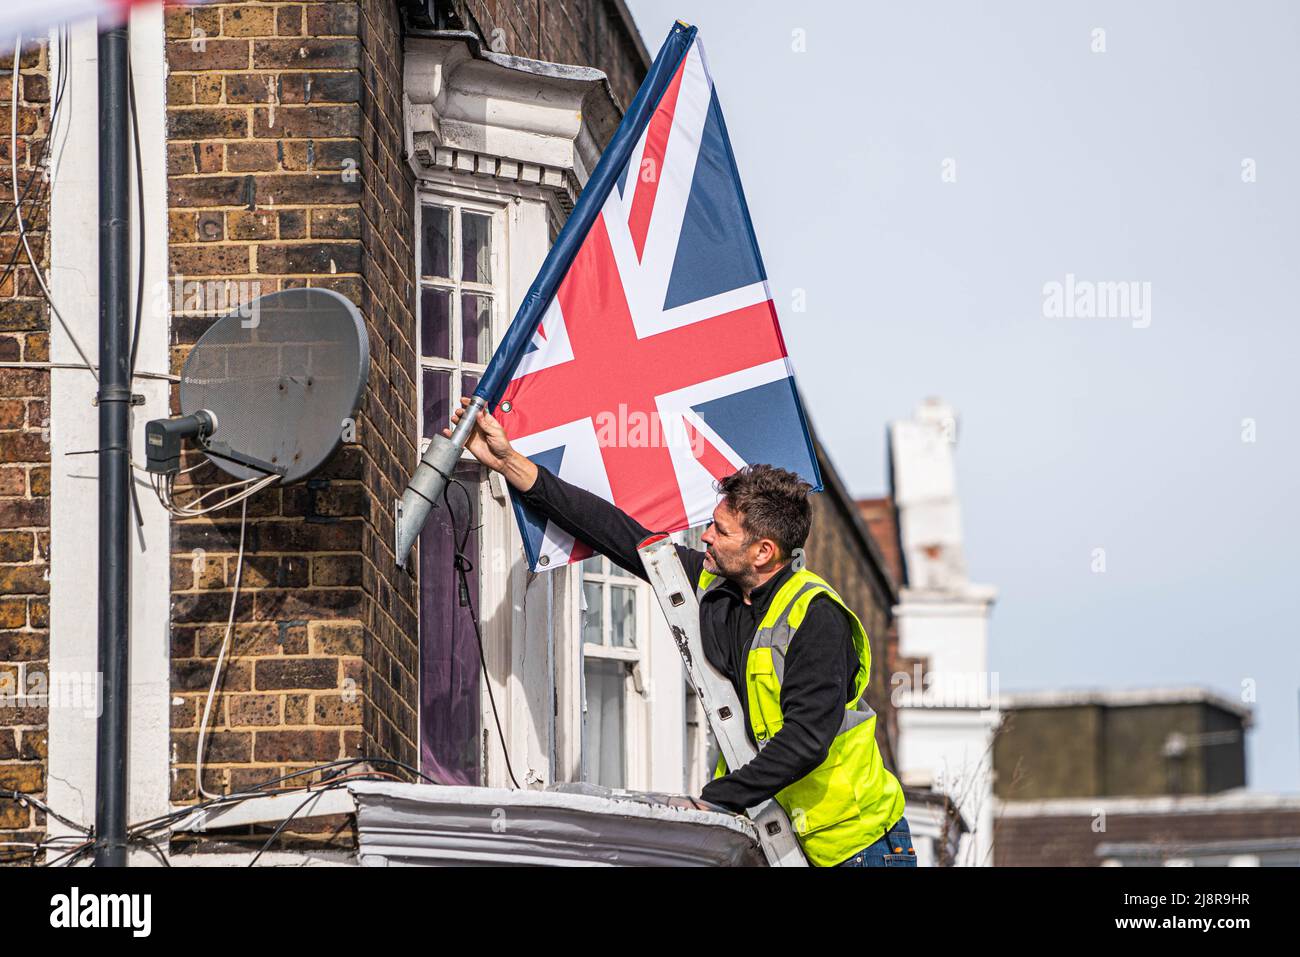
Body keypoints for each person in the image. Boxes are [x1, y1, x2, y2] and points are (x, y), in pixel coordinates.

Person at [443, 397, 914, 867]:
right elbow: (618, 534)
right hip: (789, 842)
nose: (705, 536)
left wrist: (715, 799)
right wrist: (511, 464)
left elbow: (807, 739)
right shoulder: (715, 585)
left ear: (763, 552)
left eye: (721, 531)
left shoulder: (815, 619)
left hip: (863, 844)